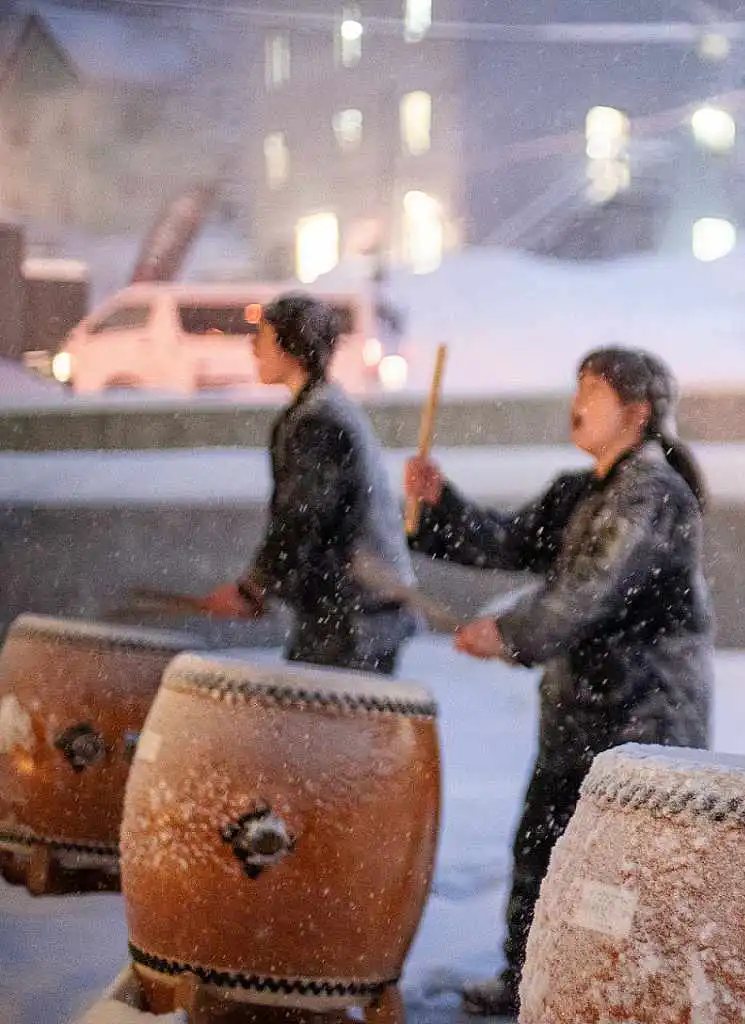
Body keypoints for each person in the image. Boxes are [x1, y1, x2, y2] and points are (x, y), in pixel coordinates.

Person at [404, 346, 714, 1017]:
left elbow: (588, 594)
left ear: (637, 413)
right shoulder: (583, 491)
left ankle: (623, 993)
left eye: (594, 390)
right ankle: (534, 978)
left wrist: (508, 633)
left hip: (645, 720)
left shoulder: (653, 492)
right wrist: (440, 505)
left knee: (629, 865)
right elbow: (502, 541)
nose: (578, 401)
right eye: (578, 385)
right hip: (580, 710)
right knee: (546, 843)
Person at [202, 292, 418, 675]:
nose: (253, 349)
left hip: (354, 617)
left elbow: (303, 517)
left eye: (263, 338)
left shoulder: (319, 423)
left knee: (326, 728)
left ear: (292, 349)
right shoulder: (320, 410)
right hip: (349, 611)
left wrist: (254, 587)